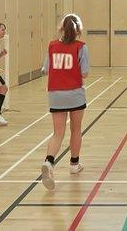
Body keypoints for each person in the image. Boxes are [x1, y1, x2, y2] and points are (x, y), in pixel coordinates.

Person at [40, 14, 89, 190]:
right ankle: (74, 164)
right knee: (76, 129)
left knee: (57, 133)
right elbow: (84, 73)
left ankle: (49, 162)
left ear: (61, 29)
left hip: (55, 94)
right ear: (78, 31)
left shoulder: (52, 46)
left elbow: (45, 70)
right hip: (74, 93)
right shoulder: (81, 47)